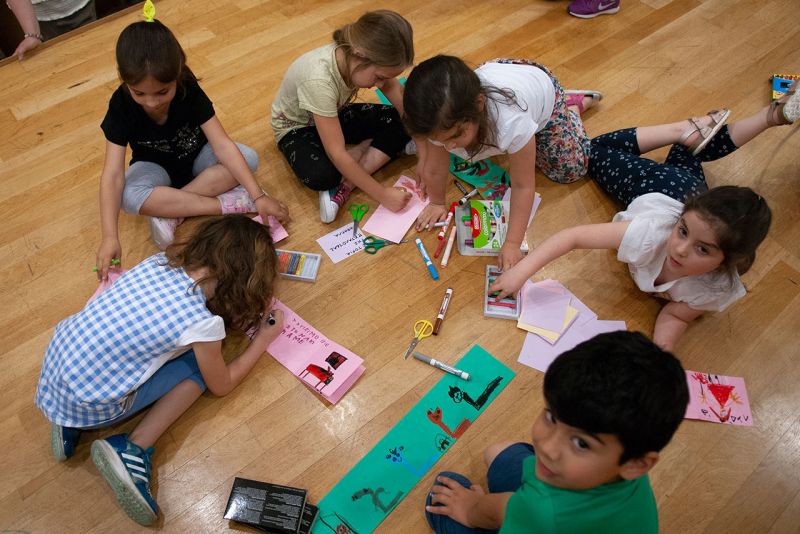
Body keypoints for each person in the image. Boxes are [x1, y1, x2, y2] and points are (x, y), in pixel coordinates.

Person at [490, 85, 800, 350]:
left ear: (729, 261)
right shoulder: (651, 232)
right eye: (682, 232)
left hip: (690, 194)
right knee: (593, 150)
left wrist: (661, 352)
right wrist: (521, 273)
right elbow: (571, 237)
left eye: (702, 249)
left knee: (690, 151)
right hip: (658, 189)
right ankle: (688, 130)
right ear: (681, 218)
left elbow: (676, 315)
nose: (680, 249)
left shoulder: (716, 290)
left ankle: (771, 115)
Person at [35, 215, 284, 526]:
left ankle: (69, 421)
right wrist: (263, 339)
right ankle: (133, 449)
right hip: (92, 402)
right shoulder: (203, 324)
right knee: (200, 367)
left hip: (56, 370)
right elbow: (222, 384)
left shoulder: (157, 263)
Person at [425, 331, 689, 533]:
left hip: (547, 515)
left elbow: (498, 513)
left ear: (638, 463)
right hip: (556, 508)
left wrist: (472, 508)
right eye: (551, 416)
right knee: (498, 453)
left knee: (442, 492)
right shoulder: (628, 462)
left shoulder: (543, 510)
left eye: (582, 444)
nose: (548, 447)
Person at [96, 8, 289, 280]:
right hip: (155, 168)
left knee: (248, 158)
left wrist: (258, 195)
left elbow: (221, 143)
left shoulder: (188, 87)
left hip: (198, 158)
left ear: (177, 75)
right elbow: (112, 175)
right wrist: (109, 236)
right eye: (139, 93)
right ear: (124, 80)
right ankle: (230, 204)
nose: (152, 102)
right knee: (128, 195)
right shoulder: (120, 104)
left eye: (162, 92)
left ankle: (170, 212)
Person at [403, 55, 599, 270]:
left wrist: (513, 243)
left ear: (478, 105)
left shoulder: (512, 122)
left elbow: (523, 186)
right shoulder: (440, 120)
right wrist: (437, 202)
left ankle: (572, 108)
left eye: (456, 135)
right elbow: (436, 165)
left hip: (542, 90)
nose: (449, 148)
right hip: (502, 77)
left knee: (569, 170)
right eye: (442, 140)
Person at [271, 9, 415, 223]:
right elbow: (337, 153)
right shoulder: (318, 81)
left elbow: (397, 97)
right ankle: (366, 151)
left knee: (402, 121)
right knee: (324, 176)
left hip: (332, 114)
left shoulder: (357, 59)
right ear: (359, 54)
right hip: (296, 128)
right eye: (378, 78)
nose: (381, 85)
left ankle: (349, 179)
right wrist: (383, 196)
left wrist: (422, 136)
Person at [7, 0, 97, 60]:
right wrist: (32, 35)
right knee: (59, 60)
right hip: (40, 17)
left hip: (80, 5)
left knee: (93, 51)